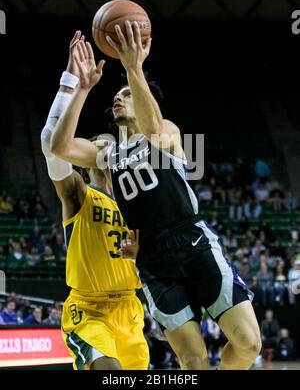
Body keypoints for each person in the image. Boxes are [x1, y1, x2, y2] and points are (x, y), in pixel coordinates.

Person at [50, 23, 261, 370]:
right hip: (152, 260)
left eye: (126, 93)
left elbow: (152, 129)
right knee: (193, 360)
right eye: (116, 94)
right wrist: (82, 88)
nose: (118, 97)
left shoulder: (167, 131)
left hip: (192, 241)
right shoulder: (108, 152)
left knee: (249, 343)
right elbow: (59, 147)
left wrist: (133, 68)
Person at [41, 31, 149, 370]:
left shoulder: (135, 200)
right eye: (95, 143)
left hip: (131, 310)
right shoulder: (78, 197)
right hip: (88, 310)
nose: (102, 144)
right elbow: (51, 142)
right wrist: (71, 82)